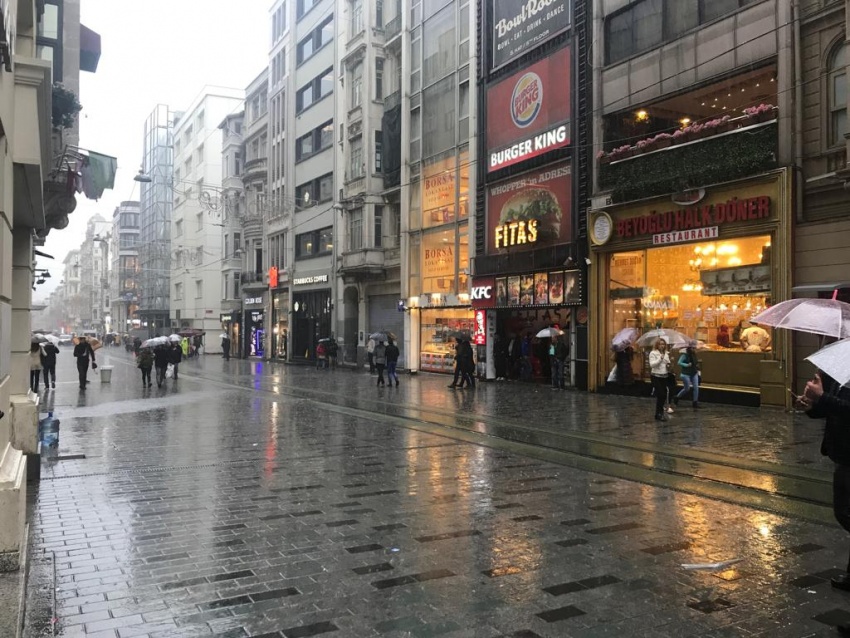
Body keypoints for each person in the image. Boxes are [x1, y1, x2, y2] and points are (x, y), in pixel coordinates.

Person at [799, 371, 850, 604]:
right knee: (843, 513)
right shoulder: (842, 372)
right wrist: (812, 405)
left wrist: (823, 397)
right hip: (842, 455)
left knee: (846, 513)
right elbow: (833, 409)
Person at [648, 338, 672, 421]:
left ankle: (659, 413)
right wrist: (660, 359)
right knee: (661, 394)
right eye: (660, 344)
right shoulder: (653, 353)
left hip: (664, 376)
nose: (662, 346)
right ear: (657, 345)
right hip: (656, 376)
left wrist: (669, 363)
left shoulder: (666, 353)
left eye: (663, 344)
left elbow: (667, 363)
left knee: (664, 395)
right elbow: (652, 365)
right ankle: (659, 413)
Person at [674, 341, 700, 409]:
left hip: (694, 373)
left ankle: (695, 402)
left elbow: (696, 363)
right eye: (693, 348)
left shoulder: (694, 355)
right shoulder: (684, 355)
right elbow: (679, 362)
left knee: (696, 388)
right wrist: (686, 365)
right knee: (687, 388)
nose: (694, 349)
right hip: (685, 374)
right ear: (690, 348)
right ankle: (677, 397)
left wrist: (697, 366)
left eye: (695, 348)